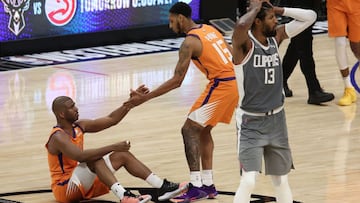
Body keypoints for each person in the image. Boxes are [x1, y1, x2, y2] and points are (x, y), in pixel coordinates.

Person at [125, 2, 238, 202]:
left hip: (222, 86)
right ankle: (208, 184)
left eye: (171, 21)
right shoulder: (210, 29)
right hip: (234, 83)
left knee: (188, 130)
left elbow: (177, 81)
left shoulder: (189, 42)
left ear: (180, 18)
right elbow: (233, 55)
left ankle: (196, 186)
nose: (170, 26)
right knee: (202, 130)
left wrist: (145, 98)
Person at [231, 0, 316, 202]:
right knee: (249, 179)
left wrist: (275, 9)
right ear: (258, 22)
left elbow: (310, 16)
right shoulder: (244, 45)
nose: (276, 21)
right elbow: (241, 26)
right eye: (271, 18)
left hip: (277, 120)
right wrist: (255, 9)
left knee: (281, 179)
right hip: (250, 122)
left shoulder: (276, 38)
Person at [45, 89, 189, 203]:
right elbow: (80, 156)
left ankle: (162, 186)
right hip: (64, 188)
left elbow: (111, 119)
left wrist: (130, 103)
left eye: (75, 105)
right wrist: (113, 146)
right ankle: (124, 196)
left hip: (80, 181)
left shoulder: (79, 126)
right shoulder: (58, 136)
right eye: (72, 107)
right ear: (62, 114)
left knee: (122, 155)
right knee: (94, 158)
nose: (76, 108)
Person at [282, 0, 334, 105]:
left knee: (297, 46)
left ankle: (280, 81)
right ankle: (314, 90)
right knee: (304, 48)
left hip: (309, 5)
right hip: (301, 5)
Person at [327, 0, 359, 106]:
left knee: (356, 47)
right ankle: (348, 88)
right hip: (335, 3)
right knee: (339, 43)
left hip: (356, 4)